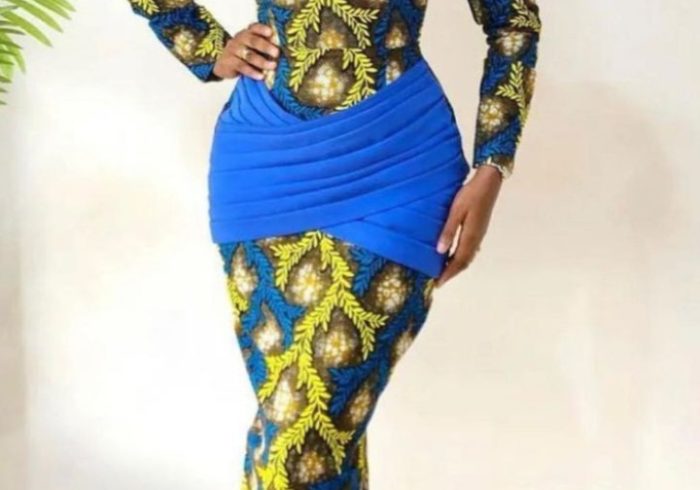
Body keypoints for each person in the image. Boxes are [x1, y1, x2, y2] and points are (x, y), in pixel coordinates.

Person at [126, 0, 541, 488]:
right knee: (309, 440)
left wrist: (493, 164)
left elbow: (513, 19)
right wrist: (206, 47)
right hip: (263, 166)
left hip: (399, 167)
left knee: (301, 443)